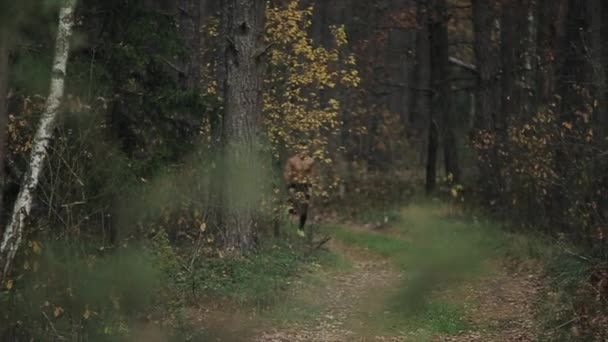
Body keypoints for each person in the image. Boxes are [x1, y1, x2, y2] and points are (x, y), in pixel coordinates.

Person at [283, 142, 315, 236]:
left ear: (308, 150)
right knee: (293, 202)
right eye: (301, 149)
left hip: (305, 185)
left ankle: (300, 228)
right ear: (298, 150)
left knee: (305, 207)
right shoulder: (292, 160)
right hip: (294, 184)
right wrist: (289, 185)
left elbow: (312, 175)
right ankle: (289, 216)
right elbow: (287, 172)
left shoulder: (310, 161)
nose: (303, 152)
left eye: (305, 149)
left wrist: (310, 187)